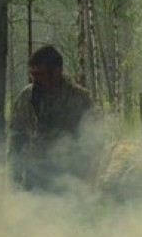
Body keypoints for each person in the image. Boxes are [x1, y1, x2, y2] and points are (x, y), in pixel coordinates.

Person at [8, 45, 96, 191]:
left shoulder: (79, 99)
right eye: (32, 75)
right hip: (34, 177)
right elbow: (16, 138)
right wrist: (14, 177)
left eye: (40, 75)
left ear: (57, 71)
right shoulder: (27, 97)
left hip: (70, 179)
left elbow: (92, 141)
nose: (35, 80)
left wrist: (88, 179)